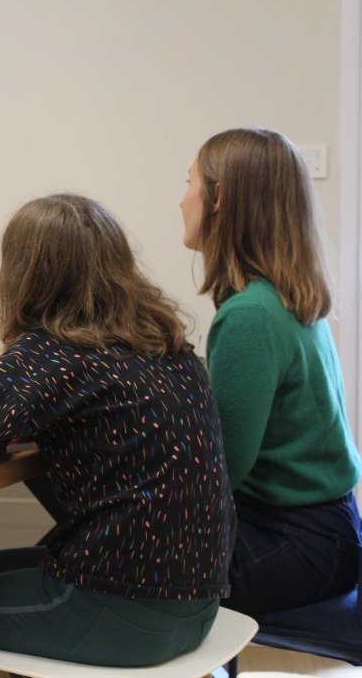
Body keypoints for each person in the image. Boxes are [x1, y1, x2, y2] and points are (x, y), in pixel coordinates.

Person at [0, 194, 234, 677]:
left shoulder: (55, 352)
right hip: (201, 602)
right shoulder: (171, 347)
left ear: (25, 274)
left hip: (126, 611)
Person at [179, 126, 362, 616]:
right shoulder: (282, 298)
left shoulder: (251, 316)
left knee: (114, 560)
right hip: (328, 534)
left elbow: (219, 474)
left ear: (218, 200)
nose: (182, 201)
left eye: (189, 183)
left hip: (297, 545)